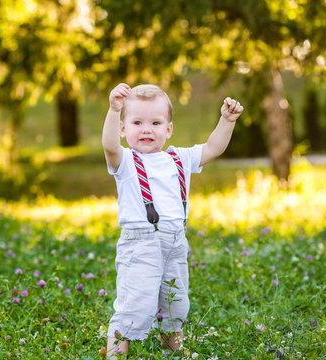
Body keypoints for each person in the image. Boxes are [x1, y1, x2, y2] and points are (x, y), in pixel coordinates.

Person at [102, 83, 243, 358]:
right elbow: (108, 146)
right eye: (137, 122)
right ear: (123, 129)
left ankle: (173, 352)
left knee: (175, 305)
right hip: (140, 246)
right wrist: (113, 110)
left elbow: (213, 147)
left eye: (155, 122)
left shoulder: (179, 158)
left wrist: (226, 120)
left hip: (176, 244)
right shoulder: (126, 161)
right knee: (135, 305)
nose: (146, 129)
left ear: (168, 129)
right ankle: (116, 354)